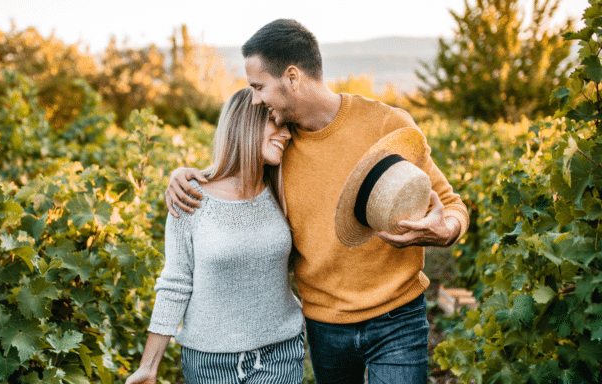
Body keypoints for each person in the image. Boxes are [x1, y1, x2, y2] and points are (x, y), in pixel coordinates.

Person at [165, 19, 469, 384]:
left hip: (397, 316)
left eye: (259, 86)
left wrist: (447, 230)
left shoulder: (387, 124)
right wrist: (184, 173)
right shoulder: (278, 148)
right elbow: (233, 176)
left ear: (292, 77)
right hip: (326, 326)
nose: (256, 98)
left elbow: (452, 204)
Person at [126, 87, 305, 384]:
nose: (287, 134)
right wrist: (149, 366)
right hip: (208, 363)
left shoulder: (284, 189)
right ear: (245, 124)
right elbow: (176, 282)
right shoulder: (190, 197)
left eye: (288, 126)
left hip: (279, 355)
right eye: (276, 121)